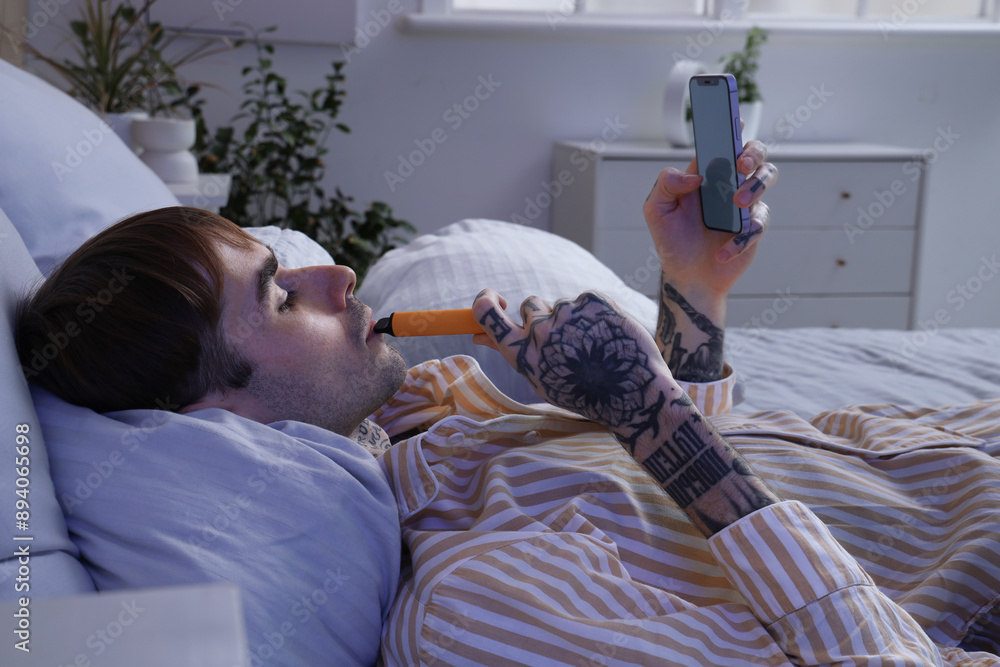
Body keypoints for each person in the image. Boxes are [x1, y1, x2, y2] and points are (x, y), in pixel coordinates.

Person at [14, 141, 1000, 666]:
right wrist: (652, 423)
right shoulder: (469, 611)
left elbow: (698, 489)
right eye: (279, 293)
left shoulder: (417, 424)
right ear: (217, 423)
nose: (338, 275)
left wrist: (692, 294)